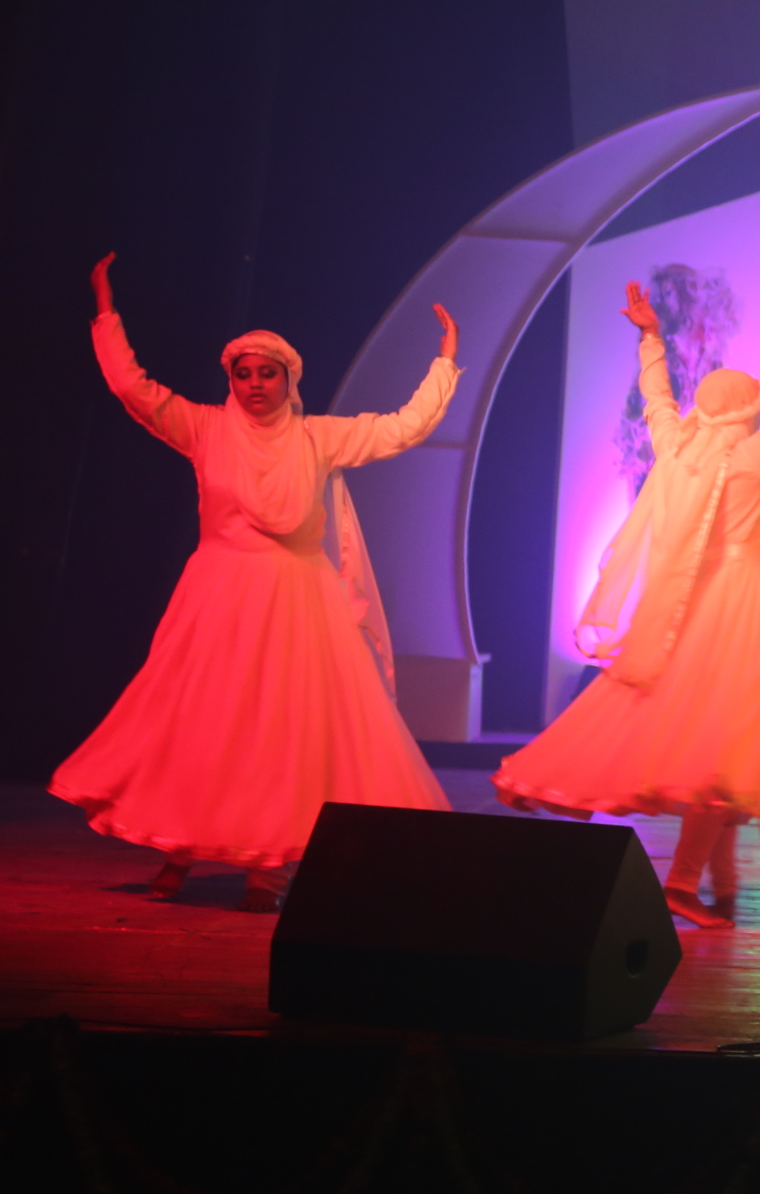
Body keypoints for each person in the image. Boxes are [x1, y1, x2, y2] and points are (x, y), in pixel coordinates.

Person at [52, 253, 459, 912]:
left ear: (288, 379)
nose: (254, 384)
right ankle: (178, 847)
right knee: (201, 721)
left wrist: (445, 361)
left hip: (298, 599)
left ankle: (270, 867)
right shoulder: (205, 429)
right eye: (242, 374)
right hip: (219, 594)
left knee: (285, 732)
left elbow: (401, 429)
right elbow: (134, 389)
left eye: (266, 373)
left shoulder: (317, 438)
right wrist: (105, 310)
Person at [494, 275, 760, 927]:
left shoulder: (677, 451)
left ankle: (720, 883)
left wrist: (650, 338)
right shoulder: (750, 458)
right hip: (739, 612)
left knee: (727, 757)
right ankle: (685, 883)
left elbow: (658, 401)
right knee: (727, 755)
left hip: (688, 613)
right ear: (747, 412)